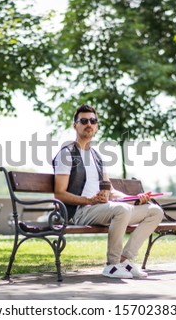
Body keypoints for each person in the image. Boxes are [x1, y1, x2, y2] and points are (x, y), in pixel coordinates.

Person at [53, 104, 164, 279]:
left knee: (154, 211)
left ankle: (124, 261)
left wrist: (135, 198)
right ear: (75, 126)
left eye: (93, 121)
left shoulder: (98, 157)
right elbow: (59, 193)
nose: (89, 124)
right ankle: (112, 265)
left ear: (96, 126)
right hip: (79, 211)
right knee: (122, 210)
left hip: (102, 209)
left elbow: (110, 191)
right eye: (84, 121)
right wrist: (89, 200)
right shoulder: (66, 154)